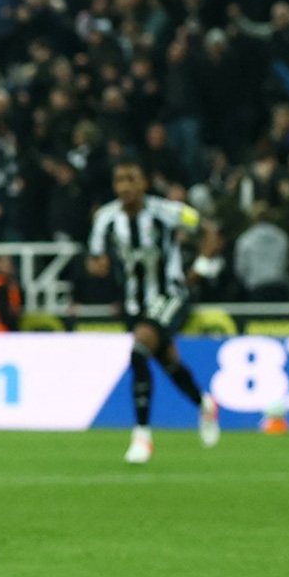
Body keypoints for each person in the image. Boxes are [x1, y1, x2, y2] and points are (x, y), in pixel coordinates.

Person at [88, 153, 220, 464]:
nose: (125, 187)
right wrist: (98, 266)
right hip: (135, 303)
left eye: (131, 179)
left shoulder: (168, 211)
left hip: (171, 293)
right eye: (119, 181)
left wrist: (199, 267)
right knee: (167, 360)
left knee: (139, 350)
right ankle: (204, 404)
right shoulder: (105, 218)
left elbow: (209, 230)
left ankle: (142, 437)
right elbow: (94, 257)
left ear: (144, 183)